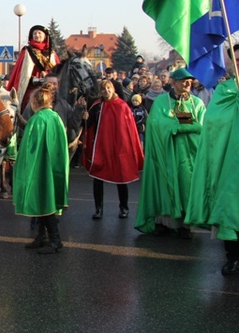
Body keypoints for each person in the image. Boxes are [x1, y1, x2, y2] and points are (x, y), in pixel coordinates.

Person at [185, 46, 239, 275]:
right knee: (229, 208)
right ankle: (232, 257)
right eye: (235, 59)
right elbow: (214, 124)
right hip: (229, 164)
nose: (237, 63)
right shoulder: (224, 92)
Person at [135, 68, 206, 239]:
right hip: (164, 154)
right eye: (183, 80)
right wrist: (171, 126)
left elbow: (202, 126)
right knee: (164, 186)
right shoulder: (161, 102)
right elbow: (155, 124)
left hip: (187, 157)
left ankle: (185, 225)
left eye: (189, 80)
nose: (188, 83)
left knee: (185, 188)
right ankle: (164, 223)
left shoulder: (197, 103)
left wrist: (180, 126)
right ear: (174, 82)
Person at [13, 84, 69, 253]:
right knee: (43, 200)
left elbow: (31, 147)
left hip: (40, 167)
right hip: (52, 166)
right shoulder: (54, 116)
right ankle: (41, 236)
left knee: (44, 201)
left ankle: (55, 240)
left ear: (35, 102)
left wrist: (23, 165)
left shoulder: (38, 119)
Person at [83, 80, 144, 220]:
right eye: (103, 89)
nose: (106, 91)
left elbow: (130, 129)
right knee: (97, 178)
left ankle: (124, 208)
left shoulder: (122, 106)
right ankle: (98, 209)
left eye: (108, 88)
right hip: (101, 147)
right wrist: (85, 117)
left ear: (113, 89)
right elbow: (89, 124)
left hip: (119, 147)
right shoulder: (97, 106)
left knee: (121, 178)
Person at [6, 24, 60, 112]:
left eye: (39, 33)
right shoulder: (27, 51)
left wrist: (47, 76)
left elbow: (57, 70)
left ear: (45, 36)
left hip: (50, 87)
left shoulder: (51, 53)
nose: (37, 35)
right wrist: (35, 78)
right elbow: (20, 73)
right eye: (34, 33)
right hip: (32, 87)